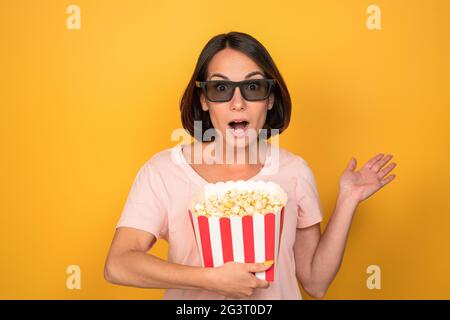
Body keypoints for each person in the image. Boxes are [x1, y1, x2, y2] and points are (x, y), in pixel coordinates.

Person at [104, 31, 397, 300]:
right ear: (204, 100)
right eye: (221, 88)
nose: (237, 103)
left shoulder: (294, 171)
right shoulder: (164, 171)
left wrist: (347, 200)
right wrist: (209, 279)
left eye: (253, 86)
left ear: (269, 99)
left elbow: (315, 282)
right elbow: (118, 264)